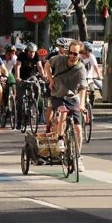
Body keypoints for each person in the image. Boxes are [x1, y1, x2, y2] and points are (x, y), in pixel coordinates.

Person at [46, 40, 87, 170]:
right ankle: (60, 139)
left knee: (78, 129)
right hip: (58, 95)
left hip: (72, 98)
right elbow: (47, 65)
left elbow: (83, 88)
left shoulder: (81, 68)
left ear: (80, 54)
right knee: (62, 111)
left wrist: (81, 103)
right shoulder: (59, 60)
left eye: (75, 54)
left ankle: (78, 157)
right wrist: (51, 80)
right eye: (70, 53)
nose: (72, 56)